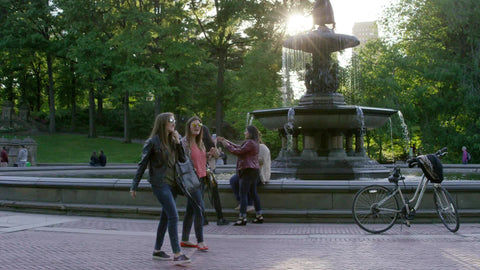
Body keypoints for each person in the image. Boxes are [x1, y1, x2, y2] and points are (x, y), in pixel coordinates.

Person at [130, 112, 190, 264]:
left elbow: (183, 159)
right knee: (173, 216)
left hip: (173, 185)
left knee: (165, 217)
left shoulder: (173, 140)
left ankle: (157, 250)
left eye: (174, 120)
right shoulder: (153, 142)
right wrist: (134, 185)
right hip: (160, 184)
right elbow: (142, 164)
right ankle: (177, 253)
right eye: (171, 120)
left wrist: (178, 143)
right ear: (163, 123)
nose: (173, 123)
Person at [218, 125, 263, 226]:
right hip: (254, 171)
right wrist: (227, 141)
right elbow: (240, 147)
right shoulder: (255, 142)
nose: (244, 133)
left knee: (243, 194)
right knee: (253, 193)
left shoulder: (250, 142)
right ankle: (259, 216)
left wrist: (226, 145)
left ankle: (242, 218)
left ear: (250, 133)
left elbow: (237, 151)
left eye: (246, 131)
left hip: (247, 171)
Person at [179, 116, 208, 251]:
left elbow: (201, 160)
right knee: (199, 209)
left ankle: (184, 239)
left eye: (199, 124)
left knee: (190, 210)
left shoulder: (200, 142)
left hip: (201, 179)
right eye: (194, 124)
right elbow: (181, 161)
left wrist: (210, 155)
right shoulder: (184, 143)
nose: (197, 127)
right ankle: (200, 241)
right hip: (191, 180)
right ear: (189, 127)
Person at [230, 142, 271, 211]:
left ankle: (250, 204)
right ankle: (242, 202)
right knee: (233, 180)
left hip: (259, 174)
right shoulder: (247, 146)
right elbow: (238, 149)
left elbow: (261, 161)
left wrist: (248, 158)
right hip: (247, 172)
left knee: (248, 183)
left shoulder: (263, 148)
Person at [201, 125, 229, 226]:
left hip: (200, 171)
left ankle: (203, 218)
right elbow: (217, 156)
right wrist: (213, 151)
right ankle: (220, 217)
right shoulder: (210, 143)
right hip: (210, 171)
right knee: (215, 195)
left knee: (200, 195)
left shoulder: (197, 142)